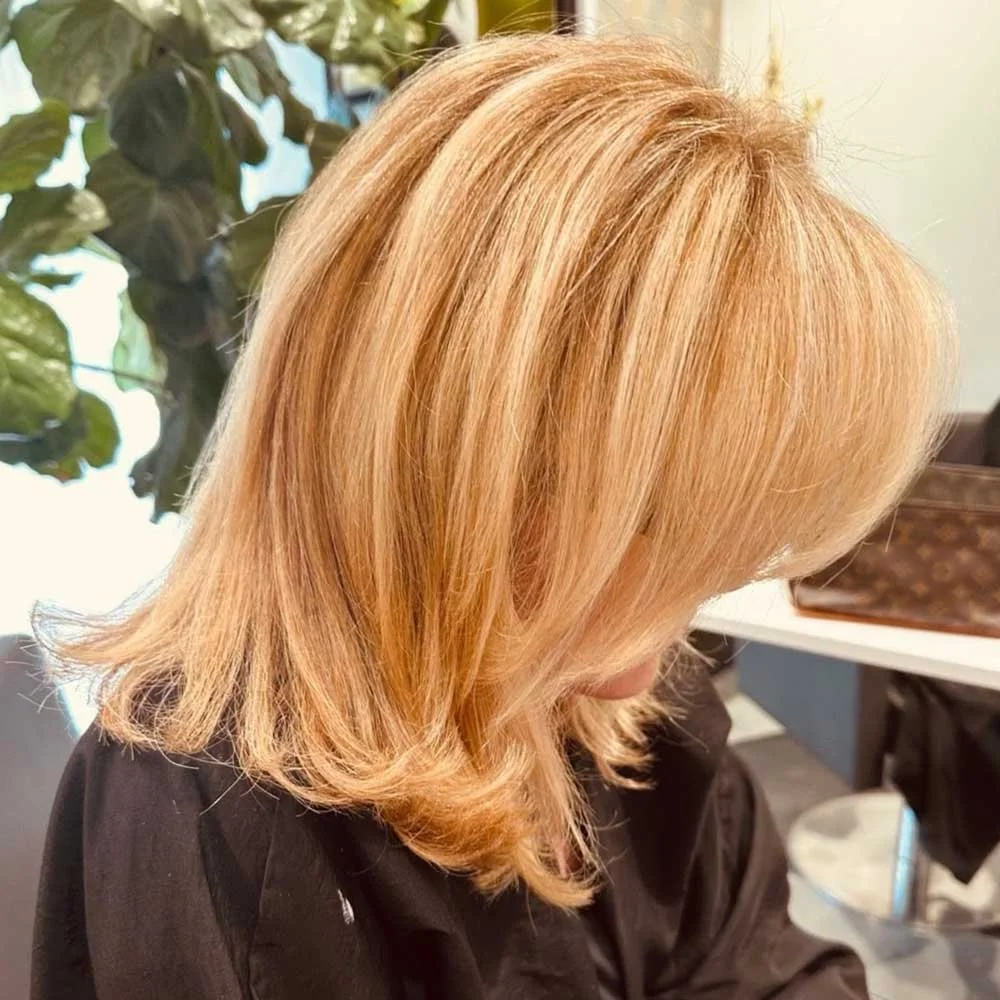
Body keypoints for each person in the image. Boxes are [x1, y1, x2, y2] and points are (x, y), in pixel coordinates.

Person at [31, 34, 953, 1000]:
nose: (668, 632)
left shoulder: (628, 706)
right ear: (443, 450)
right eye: (652, 521)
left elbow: (768, 965)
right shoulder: (203, 823)